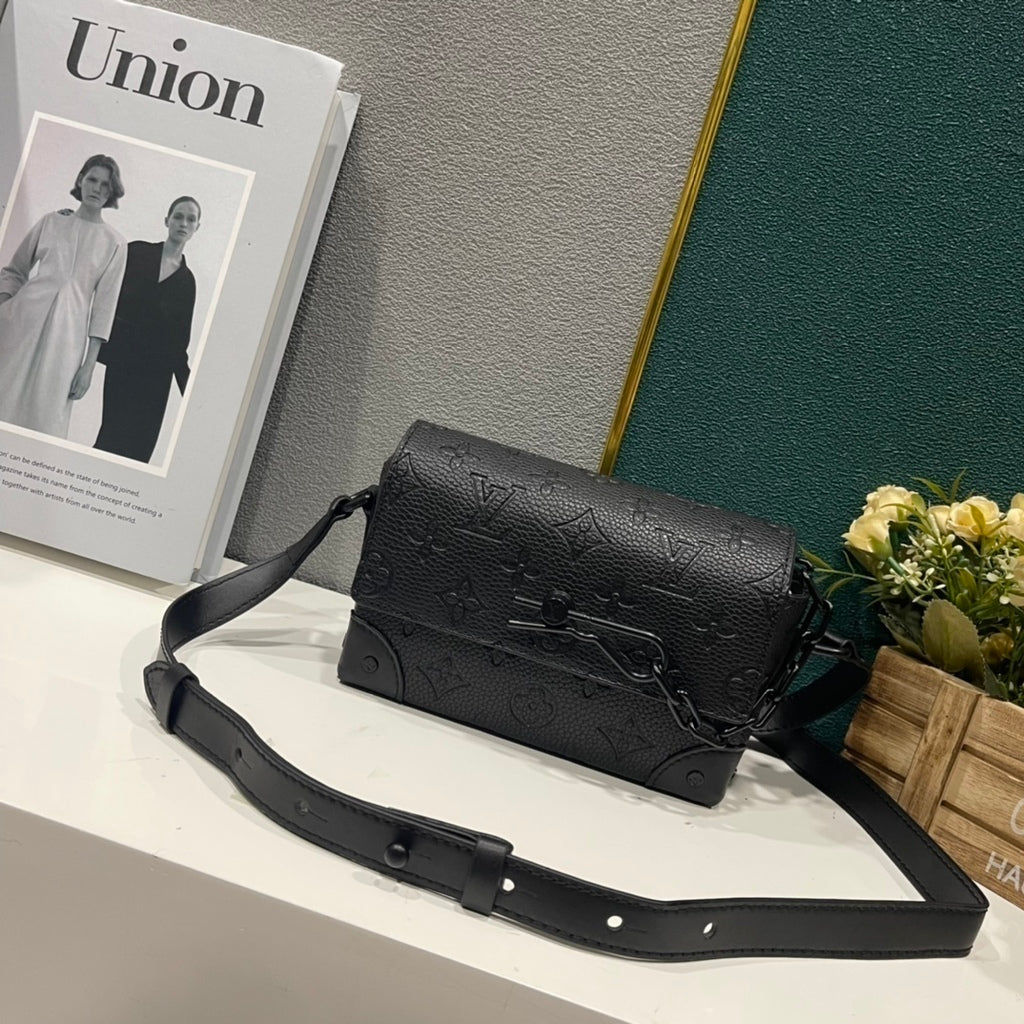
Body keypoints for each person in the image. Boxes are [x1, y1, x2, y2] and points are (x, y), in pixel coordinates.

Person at [0, 155, 127, 438]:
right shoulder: (51, 221)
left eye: (105, 185)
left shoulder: (115, 243)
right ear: (80, 179)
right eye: (92, 179)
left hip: (67, 340)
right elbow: (14, 270)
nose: (97, 188)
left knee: (47, 420)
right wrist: (4, 307)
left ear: (112, 191)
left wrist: (88, 367)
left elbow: (104, 308)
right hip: (19, 325)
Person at [93, 197, 200, 462]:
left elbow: (180, 344)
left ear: (197, 228)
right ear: (167, 220)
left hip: (157, 377)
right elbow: (100, 269)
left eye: (190, 219)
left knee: (138, 451)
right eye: (178, 216)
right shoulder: (137, 252)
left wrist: (190, 393)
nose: (183, 223)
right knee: (109, 439)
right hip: (123, 365)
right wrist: (73, 220)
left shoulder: (187, 281)